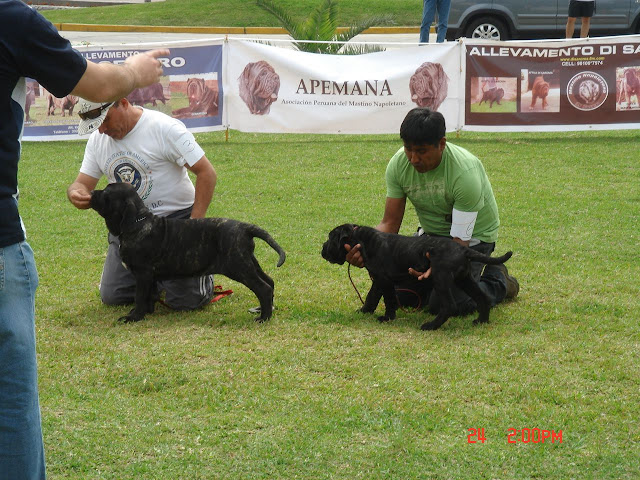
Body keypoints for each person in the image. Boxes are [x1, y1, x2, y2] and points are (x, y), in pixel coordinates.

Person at [0, 1, 169, 479]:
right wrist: (137, 69)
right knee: (9, 406)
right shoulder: (10, 18)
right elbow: (98, 83)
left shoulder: (164, 129)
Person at [345, 107, 519, 316]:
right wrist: (362, 249)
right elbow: (389, 225)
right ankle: (438, 284)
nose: (413, 158)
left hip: (471, 241)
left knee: (448, 304)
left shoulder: (465, 173)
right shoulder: (398, 165)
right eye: (408, 149)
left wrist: (438, 269)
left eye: (421, 151)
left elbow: (458, 243)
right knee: (403, 295)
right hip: (429, 240)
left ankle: (497, 278)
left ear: (442, 144)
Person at [67, 97, 217, 310]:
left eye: (106, 120)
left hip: (175, 224)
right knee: (114, 296)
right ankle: (156, 279)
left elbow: (207, 173)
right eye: (96, 125)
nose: (102, 130)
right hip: (131, 228)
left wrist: (195, 226)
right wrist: (75, 192)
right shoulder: (97, 140)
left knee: (186, 301)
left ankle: (200, 272)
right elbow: (81, 183)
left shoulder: (165, 128)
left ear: (123, 102)